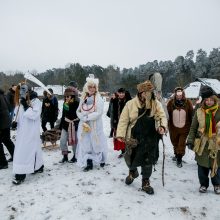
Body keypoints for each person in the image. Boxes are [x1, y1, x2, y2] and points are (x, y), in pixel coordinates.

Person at [116, 80, 167, 194]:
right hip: (134, 137)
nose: (147, 94)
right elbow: (124, 120)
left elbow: (161, 116)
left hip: (150, 137)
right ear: (140, 92)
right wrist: (120, 134)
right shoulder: (130, 104)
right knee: (129, 158)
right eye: (145, 92)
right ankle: (133, 172)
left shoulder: (156, 103)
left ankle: (145, 182)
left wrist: (162, 126)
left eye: (149, 92)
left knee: (147, 161)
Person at [187, 86, 220, 194]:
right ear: (204, 100)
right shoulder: (199, 111)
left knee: (216, 164)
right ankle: (203, 184)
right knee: (202, 166)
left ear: (214, 99)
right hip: (202, 143)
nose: (209, 102)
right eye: (207, 100)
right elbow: (193, 127)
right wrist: (190, 140)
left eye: (211, 100)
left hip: (217, 143)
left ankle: (217, 184)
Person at [12, 83, 44, 185]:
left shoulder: (36, 101)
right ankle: (38, 166)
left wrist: (26, 106)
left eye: (23, 91)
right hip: (22, 131)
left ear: (28, 91)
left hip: (31, 130)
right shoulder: (21, 101)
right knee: (31, 149)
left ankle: (20, 174)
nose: (21, 93)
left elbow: (34, 115)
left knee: (25, 151)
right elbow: (17, 113)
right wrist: (14, 122)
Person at [76, 74, 108, 171]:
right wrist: (82, 117)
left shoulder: (98, 99)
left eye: (94, 87)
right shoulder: (83, 98)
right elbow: (78, 111)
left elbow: (99, 112)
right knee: (86, 143)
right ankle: (89, 163)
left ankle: (102, 159)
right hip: (84, 126)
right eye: (90, 87)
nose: (92, 89)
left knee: (97, 143)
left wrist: (88, 117)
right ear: (87, 87)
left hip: (95, 126)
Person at [167, 87, 193, 168]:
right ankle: (176, 154)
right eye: (177, 94)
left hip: (184, 128)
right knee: (175, 143)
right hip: (173, 128)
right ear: (175, 94)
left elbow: (191, 115)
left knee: (181, 144)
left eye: (180, 94)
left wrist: (192, 126)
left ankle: (179, 158)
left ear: (183, 94)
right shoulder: (171, 103)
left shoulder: (188, 102)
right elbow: (167, 115)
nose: (179, 96)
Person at [59, 88, 79, 163]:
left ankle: (75, 156)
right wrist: (60, 126)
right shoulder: (65, 103)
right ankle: (65, 156)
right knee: (62, 141)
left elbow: (73, 114)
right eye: (65, 97)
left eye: (68, 96)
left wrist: (68, 105)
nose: (66, 98)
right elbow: (63, 115)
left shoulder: (77, 103)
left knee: (74, 142)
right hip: (65, 125)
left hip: (74, 125)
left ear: (72, 96)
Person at [112, 88, 131, 158]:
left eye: (123, 93)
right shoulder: (115, 101)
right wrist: (114, 122)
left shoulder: (128, 100)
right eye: (120, 93)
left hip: (127, 122)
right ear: (118, 93)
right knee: (120, 137)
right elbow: (113, 112)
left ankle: (128, 151)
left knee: (127, 136)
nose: (121, 94)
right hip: (118, 122)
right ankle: (123, 151)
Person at [0, 88, 15, 169]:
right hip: (7, 121)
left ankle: (2, 163)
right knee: (7, 140)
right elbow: (10, 108)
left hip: (1, 123)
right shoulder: (3, 95)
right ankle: (16, 156)